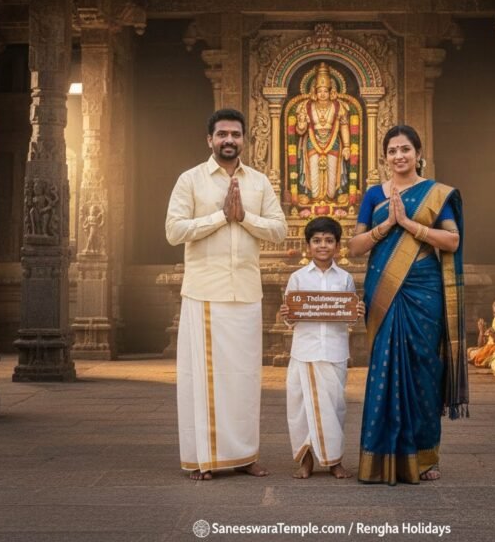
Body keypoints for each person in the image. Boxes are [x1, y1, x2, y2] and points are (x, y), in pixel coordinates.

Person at [165, 108, 287, 481]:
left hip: (246, 293)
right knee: (203, 379)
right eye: (222, 135)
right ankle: (204, 458)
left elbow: (279, 230)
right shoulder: (191, 180)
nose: (229, 140)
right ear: (210, 140)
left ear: (245, 140)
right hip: (205, 292)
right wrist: (220, 217)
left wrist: (244, 217)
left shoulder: (259, 183)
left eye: (235, 134)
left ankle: (244, 455)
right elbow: (174, 231)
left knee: (245, 378)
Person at [348, 124, 467, 485]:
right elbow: (355, 247)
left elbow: (452, 240)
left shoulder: (436, 194)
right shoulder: (372, 195)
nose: (399, 156)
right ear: (385, 158)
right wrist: (386, 225)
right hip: (384, 289)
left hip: (424, 291)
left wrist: (409, 224)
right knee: (383, 369)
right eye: (392, 151)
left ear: (418, 153)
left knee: (423, 369)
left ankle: (424, 455)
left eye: (405, 149)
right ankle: (379, 457)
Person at [280, 217, 365, 480]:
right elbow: (290, 316)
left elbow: (348, 316)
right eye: (317, 241)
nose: (323, 245)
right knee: (301, 409)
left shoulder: (345, 278)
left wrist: (356, 312)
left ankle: (334, 460)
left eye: (329, 240)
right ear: (308, 246)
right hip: (304, 352)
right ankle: (306, 461)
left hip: (335, 351)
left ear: (337, 246)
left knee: (336, 407)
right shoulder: (297, 278)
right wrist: (286, 312)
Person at [295, 62, 351, 202]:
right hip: (312, 143)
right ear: (314, 91)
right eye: (319, 91)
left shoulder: (338, 106)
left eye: (325, 91)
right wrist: (301, 124)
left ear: (331, 90)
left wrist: (347, 146)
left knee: (332, 187)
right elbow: (300, 131)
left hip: (333, 143)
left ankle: (330, 198)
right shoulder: (306, 106)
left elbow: (344, 126)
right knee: (313, 177)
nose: (322, 94)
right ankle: (315, 199)